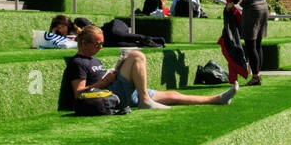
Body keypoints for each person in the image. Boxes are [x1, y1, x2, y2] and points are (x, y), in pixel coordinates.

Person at [59, 25, 235, 111]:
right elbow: (79, 93)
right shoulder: (78, 63)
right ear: (83, 43)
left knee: (173, 95)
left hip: (118, 89)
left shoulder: (93, 59)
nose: (101, 47)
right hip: (109, 93)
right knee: (136, 56)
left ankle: (218, 99)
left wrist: (117, 69)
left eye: (102, 44)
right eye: (97, 44)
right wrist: (104, 82)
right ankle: (144, 101)